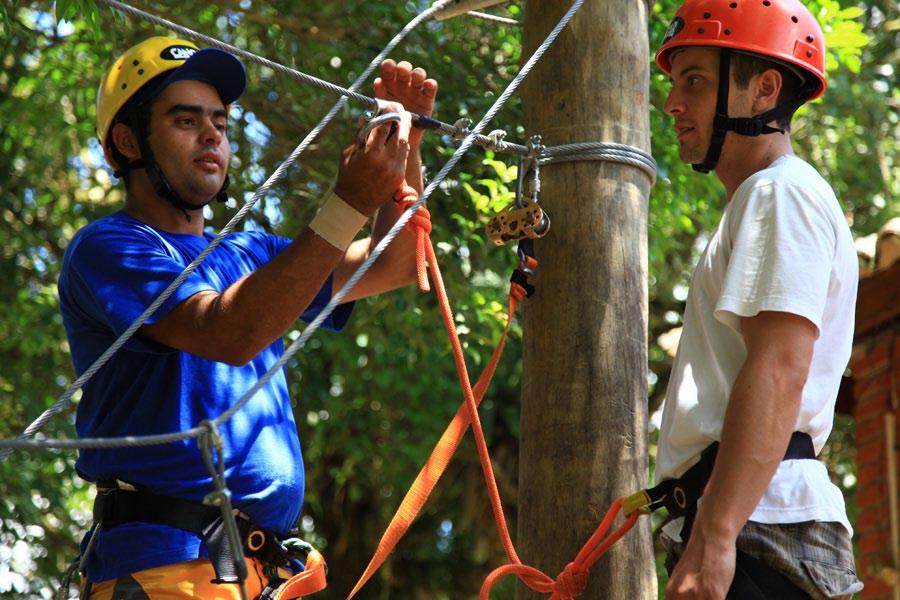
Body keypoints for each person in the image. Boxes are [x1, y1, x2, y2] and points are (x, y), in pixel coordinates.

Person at [57, 36, 437, 598]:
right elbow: (229, 331)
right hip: (166, 571)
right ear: (127, 140)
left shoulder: (250, 253)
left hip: (262, 573)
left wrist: (406, 146)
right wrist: (348, 204)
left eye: (221, 123)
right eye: (186, 121)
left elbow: (400, 262)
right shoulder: (110, 247)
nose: (212, 134)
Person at [652, 1, 864, 598]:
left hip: (753, 529)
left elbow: (779, 367)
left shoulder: (780, 195)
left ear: (764, 89)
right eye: (674, 83)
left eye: (693, 80)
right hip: (754, 521)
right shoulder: (766, 198)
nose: (672, 103)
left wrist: (713, 539)